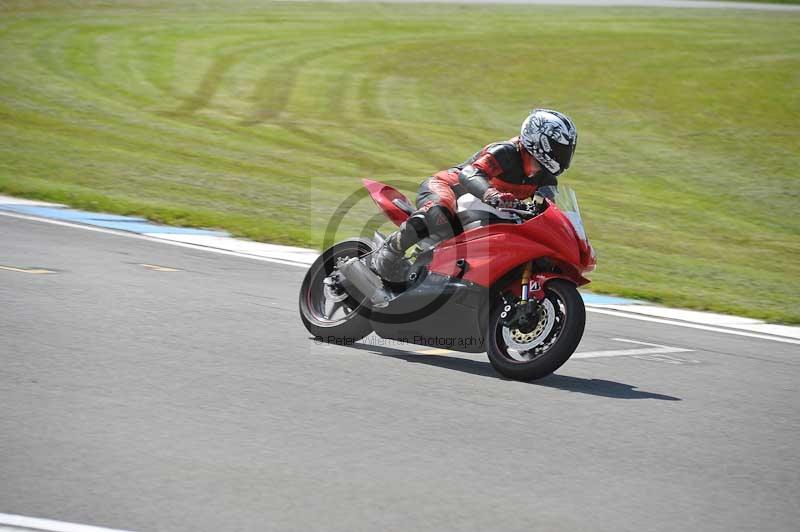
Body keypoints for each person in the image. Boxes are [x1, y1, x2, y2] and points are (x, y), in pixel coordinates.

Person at [371, 108, 578, 281]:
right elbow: (470, 174)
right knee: (439, 212)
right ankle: (390, 251)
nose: (563, 156)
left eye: (567, 150)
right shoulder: (505, 152)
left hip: (484, 211)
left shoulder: (546, 178)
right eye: (559, 149)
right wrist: (490, 193)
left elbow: (550, 209)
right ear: (539, 141)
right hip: (448, 188)